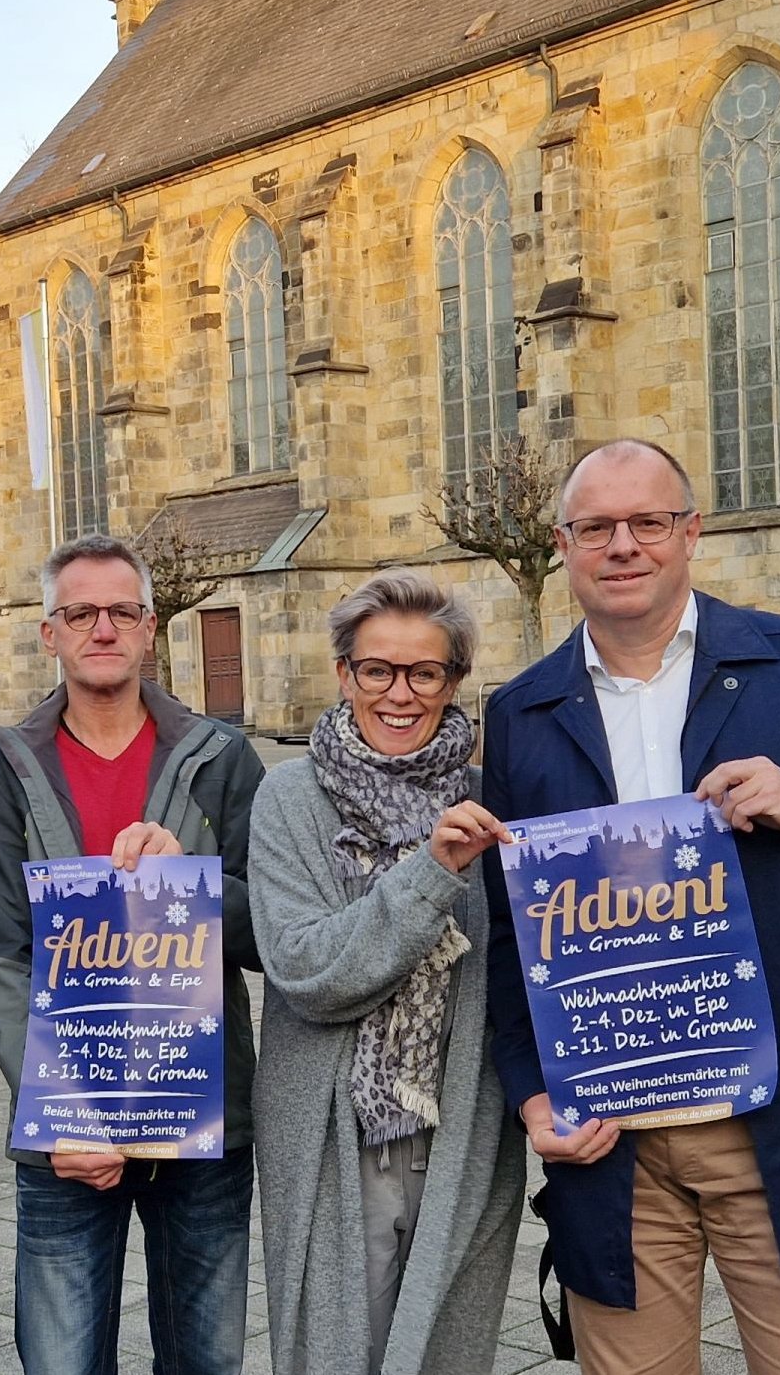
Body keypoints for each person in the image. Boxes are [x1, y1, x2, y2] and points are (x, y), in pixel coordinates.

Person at [480, 439, 780, 1375]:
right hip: (611, 1138)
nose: (623, 545)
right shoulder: (521, 710)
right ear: (564, 544)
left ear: (690, 532)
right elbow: (512, 929)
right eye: (596, 527)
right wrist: (529, 1089)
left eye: (647, 522)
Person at [0, 534, 265, 1375]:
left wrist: (193, 884)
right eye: (80, 613)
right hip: (69, 1126)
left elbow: (272, 927)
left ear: (149, 627)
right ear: (48, 632)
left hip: (198, 1109)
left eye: (121, 611)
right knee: (61, 1360)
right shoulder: (1, 770)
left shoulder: (220, 756)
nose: (103, 628)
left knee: (205, 1359)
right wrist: (61, 1109)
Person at [248, 570, 525, 1375]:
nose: (398, 693)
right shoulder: (291, 798)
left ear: (453, 682)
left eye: (424, 672)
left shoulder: (486, 798)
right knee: (343, 1350)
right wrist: (432, 873)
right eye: (377, 669)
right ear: (344, 673)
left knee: (446, 1345)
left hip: (464, 1118)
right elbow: (307, 971)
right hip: (338, 1126)